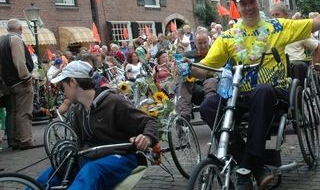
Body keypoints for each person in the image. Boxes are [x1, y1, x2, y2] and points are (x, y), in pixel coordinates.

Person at [193, 0, 320, 190]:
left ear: (259, 3)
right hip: (240, 95)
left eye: (252, 2)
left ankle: (248, 162)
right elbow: (204, 69)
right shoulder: (228, 37)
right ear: (237, 7)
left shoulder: (278, 26)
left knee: (262, 90)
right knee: (208, 106)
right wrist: (187, 70)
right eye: (244, 3)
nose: (249, 7)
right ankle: (252, 164)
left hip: (274, 92)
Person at [37, 60, 158, 190]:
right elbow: (80, 143)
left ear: (73, 82)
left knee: (91, 171)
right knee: (54, 171)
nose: (63, 91)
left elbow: (149, 121)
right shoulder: (77, 110)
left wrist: (147, 138)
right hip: (91, 157)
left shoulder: (114, 102)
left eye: (63, 86)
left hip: (121, 157)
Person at [0, 19, 37, 150]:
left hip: (9, 83)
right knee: (25, 112)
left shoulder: (2, 40)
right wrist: (26, 76)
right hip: (20, 81)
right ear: (20, 28)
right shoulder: (15, 40)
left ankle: (15, 139)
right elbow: (19, 61)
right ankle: (26, 139)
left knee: (14, 111)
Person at [269, 2, 320, 85]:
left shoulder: (296, 28)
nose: (275, 18)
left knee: (297, 66)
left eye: (277, 14)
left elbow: (317, 46)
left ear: (286, 15)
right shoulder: (270, 33)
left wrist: (317, 64)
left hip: (296, 63)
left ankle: (298, 92)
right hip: (280, 66)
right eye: (273, 15)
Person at [177, 30, 218, 120]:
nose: (203, 46)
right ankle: (184, 114)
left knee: (211, 81)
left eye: (205, 43)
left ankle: (208, 109)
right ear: (195, 43)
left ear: (208, 41)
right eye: (200, 43)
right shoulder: (189, 55)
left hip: (212, 87)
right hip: (194, 88)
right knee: (185, 82)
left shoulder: (216, 53)